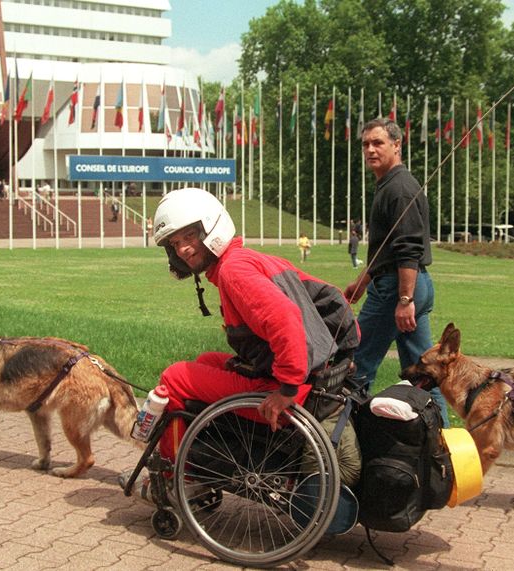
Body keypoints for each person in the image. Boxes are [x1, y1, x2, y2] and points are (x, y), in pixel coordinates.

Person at [121, 187, 361, 497]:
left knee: (174, 378)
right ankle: (200, 463)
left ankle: (176, 478)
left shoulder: (234, 271)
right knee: (207, 361)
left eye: (189, 237)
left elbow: (285, 318)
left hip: (291, 390)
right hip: (315, 381)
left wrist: (287, 389)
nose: (182, 250)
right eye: (175, 243)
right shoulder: (248, 259)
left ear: (211, 227)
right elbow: (332, 298)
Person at [343, 118, 449, 427]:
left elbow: (408, 249)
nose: (370, 149)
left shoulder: (399, 188)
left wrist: (404, 299)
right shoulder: (389, 184)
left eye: (378, 143)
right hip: (406, 285)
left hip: (398, 288)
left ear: (396, 146)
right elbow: (384, 248)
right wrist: (362, 282)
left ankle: (345, 440)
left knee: (357, 363)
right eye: (366, 144)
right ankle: (442, 445)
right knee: (425, 373)